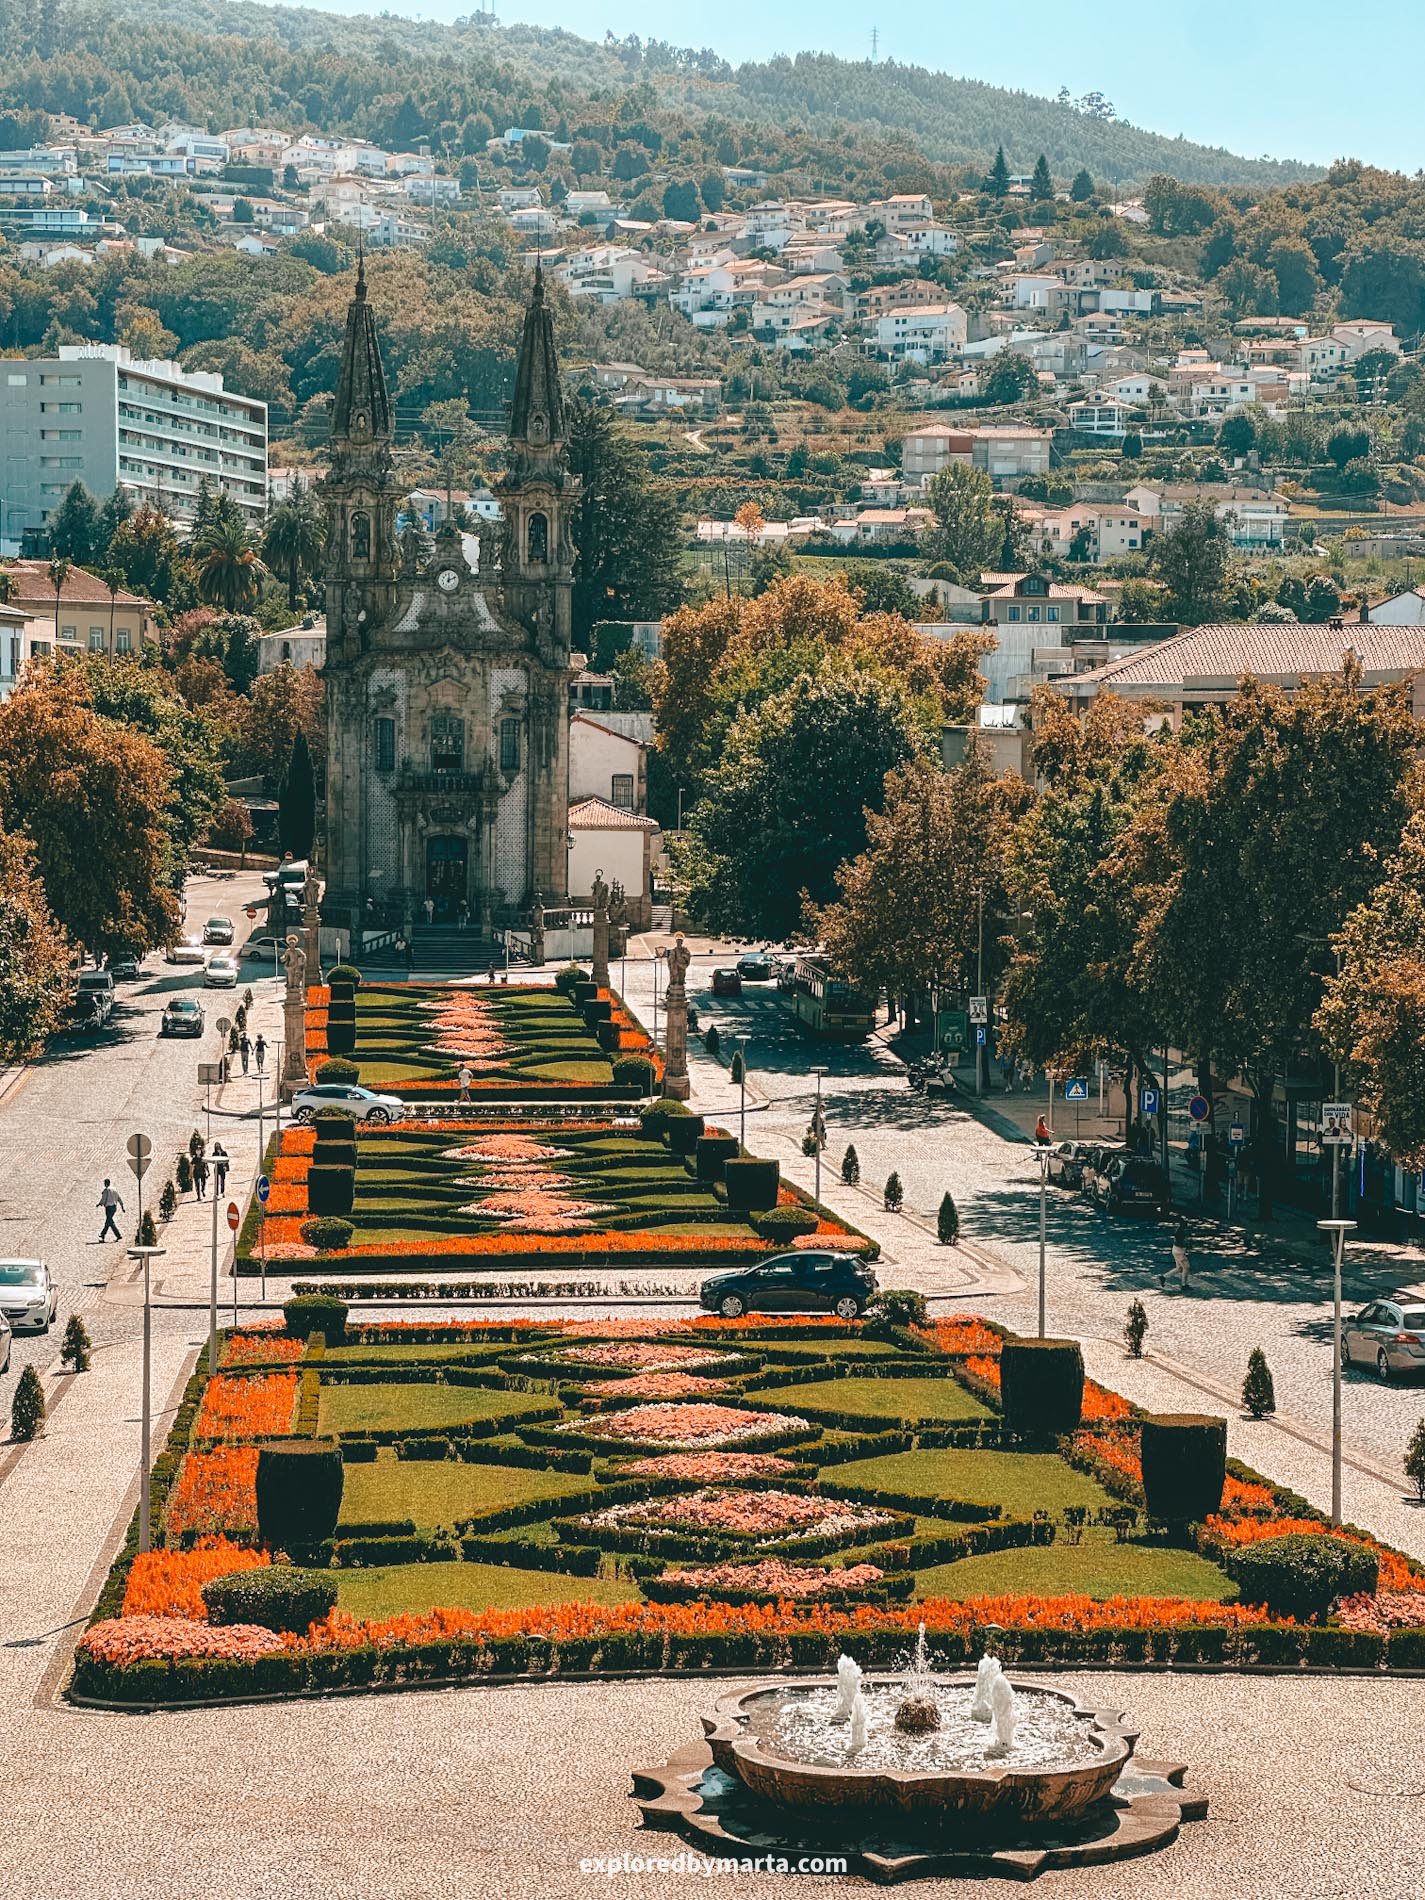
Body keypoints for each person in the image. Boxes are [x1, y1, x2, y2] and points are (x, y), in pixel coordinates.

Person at [1162, 1220, 1191, 1292]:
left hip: (1176, 1251)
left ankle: (1164, 1277)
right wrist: (1186, 1245)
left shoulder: (1179, 1231)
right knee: (1186, 1267)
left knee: (1179, 1268)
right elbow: (1179, 1243)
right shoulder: (1181, 1233)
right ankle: (1184, 1285)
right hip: (1179, 1252)